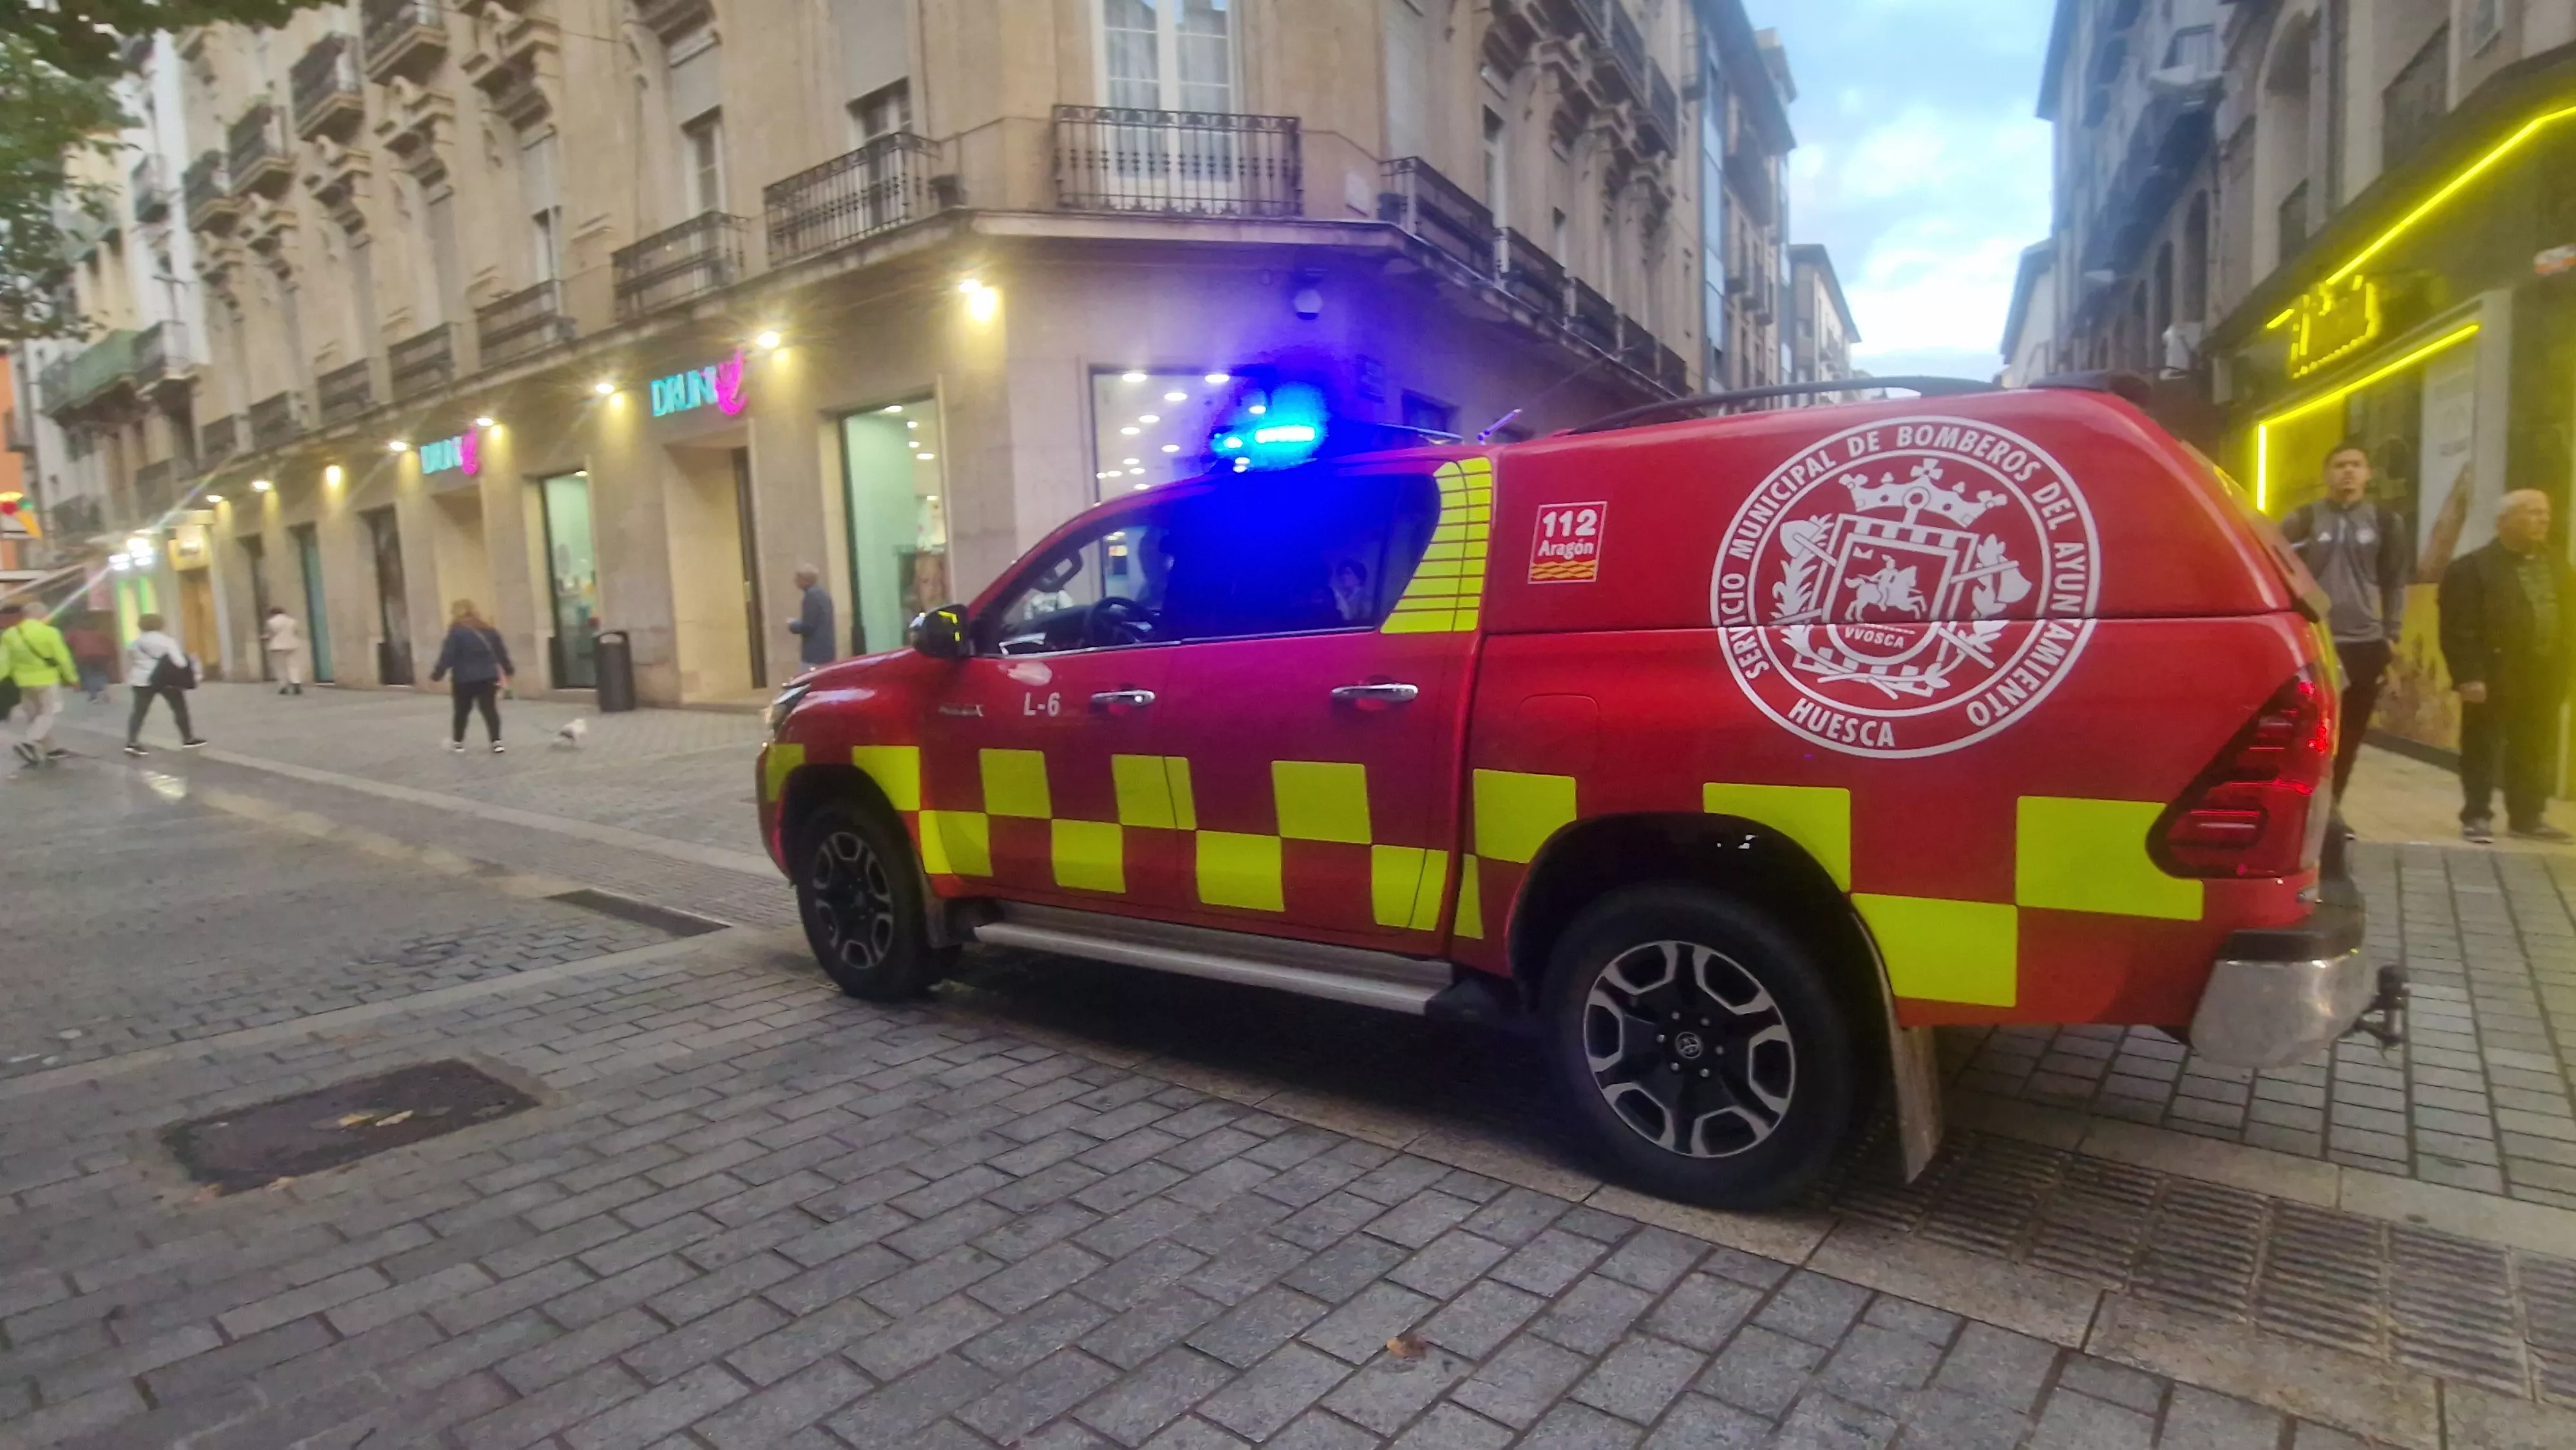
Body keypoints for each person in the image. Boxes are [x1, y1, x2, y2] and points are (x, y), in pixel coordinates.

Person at [2438, 489, 2576, 843]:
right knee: (2483, 745)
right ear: (2503, 522)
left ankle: (2527, 817)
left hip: (2545, 671)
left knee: (2535, 746)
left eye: (2545, 513)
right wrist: (2468, 675)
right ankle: (2477, 815)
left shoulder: (2558, 564)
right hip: (2493, 672)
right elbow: (2458, 629)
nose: (2542, 520)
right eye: (2531, 513)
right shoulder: (2472, 569)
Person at [2278, 442, 2412, 798]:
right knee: (2309, 731)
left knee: (2350, 733)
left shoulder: (2386, 523)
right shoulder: (2303, 519)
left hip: (2365, 643)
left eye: (2356, 465)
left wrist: (2392, 633)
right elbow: (2276, 570)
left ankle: (2333, 807)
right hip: (2315, 640)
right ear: (2326, 474)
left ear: (2368, 475)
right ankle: (2303, 803)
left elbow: (2395, 582)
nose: (2348, 472)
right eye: (2340, 465)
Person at [1, 601, 79, 767]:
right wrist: (72, 678)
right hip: (46, 680)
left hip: (23, 682)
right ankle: (28, 743)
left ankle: (51, 749)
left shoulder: (10, 634)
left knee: (36, 717)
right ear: (42, 615)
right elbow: (63, 658)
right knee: (50, 712)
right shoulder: (49, 632)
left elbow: (4, 662)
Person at [429, 599, 513, 753]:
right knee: (490, 709)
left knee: (462, 710)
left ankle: (458, 742)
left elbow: (448, 655)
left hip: (463, 678)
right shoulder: (488, 630)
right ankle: (496, 742)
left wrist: (437, 674)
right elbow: (501, 652)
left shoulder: (456, 631)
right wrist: (508, 670)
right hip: (488, 677)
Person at [122, 612, 205, 757]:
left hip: (141, 680)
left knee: (139, 711)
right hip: (166, 680)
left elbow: (133, 660)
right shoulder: (167, 641)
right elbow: (180, 663)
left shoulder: (135, 643)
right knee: (179, 708)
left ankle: (132, 742)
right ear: (161, 625)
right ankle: (188, 738)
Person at [785, 565, 836, 668]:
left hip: (814, 654)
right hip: (826, 652)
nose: (795, 581)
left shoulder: (811, 596)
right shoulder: (823, 594)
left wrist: (793, 624)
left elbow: (808, 626)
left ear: (804, 580)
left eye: (797, 578)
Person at [262, 606, 307, 695]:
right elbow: (296, 632)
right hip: (292, 645)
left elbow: (270, 634)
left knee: (280, 667)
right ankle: (296, 683)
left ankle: (284, 686)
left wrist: (264, 637)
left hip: (277, 647)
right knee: (294, 665)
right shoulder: (292, 621)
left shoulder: (271, 622)